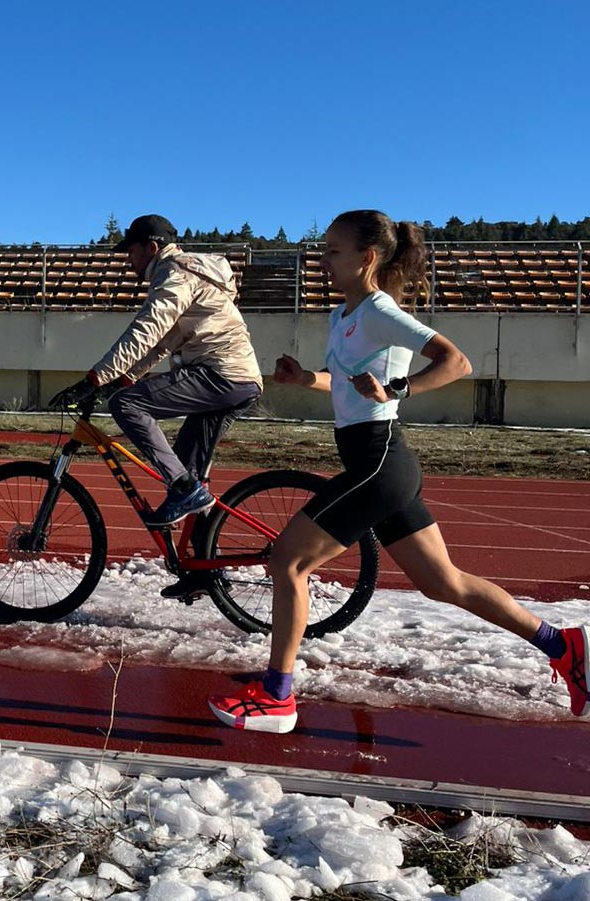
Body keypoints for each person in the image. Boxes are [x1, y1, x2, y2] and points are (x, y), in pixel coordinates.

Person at [206, 209, 588, 734]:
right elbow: (346, 383)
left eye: (333, 251)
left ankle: (278, 698)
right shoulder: (345, 316)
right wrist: (305, 378)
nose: (323, 259)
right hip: (380, 465)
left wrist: (398, 390)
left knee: (289, 560)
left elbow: (456, 362)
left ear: (366, 258)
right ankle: (560, 644)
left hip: (380, 463)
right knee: (444, 583)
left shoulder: (381, 311)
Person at [51, 214, 264, 535]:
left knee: (127, 406)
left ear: (151, 247)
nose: (128, 259)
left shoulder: (174, 273)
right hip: (238, 378)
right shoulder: (192, 274)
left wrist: (94, 379)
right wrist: (121, 379)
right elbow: (165, 341)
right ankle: (202, 569)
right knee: (189, 471)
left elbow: (148, 330)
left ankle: (183, 489)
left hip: (220, 374)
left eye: (131, 251)